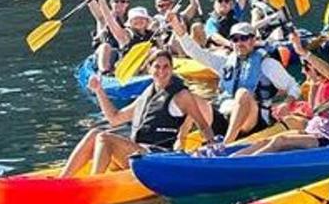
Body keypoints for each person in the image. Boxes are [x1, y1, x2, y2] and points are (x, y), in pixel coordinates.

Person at [58, 49, 216, 177]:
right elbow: (115, 118)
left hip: (155, 159)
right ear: (149, 69)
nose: (161, 71)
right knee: (94, 133)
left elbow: (203, 125)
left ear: (172, 68)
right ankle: (62, 180)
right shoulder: (148, 94)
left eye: (166, 66)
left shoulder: (181, 95)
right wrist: (99, 91)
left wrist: (212, 147)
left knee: (104, 138)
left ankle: (93, 185)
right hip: (136, 153)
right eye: (157, 66)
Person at [233, 35, 329, 155]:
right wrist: (313, 82)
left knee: (280, 141)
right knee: (267, 140)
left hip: (328, 136)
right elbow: (315, 110)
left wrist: (305, 53)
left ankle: (239, 165)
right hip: (313, 129)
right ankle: (232, 158)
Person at [175, 14, 301, 144]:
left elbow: (293, 87)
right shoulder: (225, 62)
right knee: (190, 97)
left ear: (252, 40)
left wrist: (286, 103)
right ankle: (180, 142)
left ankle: (226, 144)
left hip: (252, 121)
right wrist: (179, 31)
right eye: (235, 39)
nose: (239, 43)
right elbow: (197, 53)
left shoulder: (267, 64)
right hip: (224, 116)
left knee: (243, 93)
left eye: (244, 38)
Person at [76, 0, 131, 75]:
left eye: (123, 1)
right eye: (116, 1)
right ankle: (104, 72)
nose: (119, 4)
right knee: (106, 46)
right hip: (104, 53)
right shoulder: (103, 18)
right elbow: (90, 1)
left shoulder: (131, 20)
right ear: (111, 3)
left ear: (127, 4)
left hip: (123, 52)